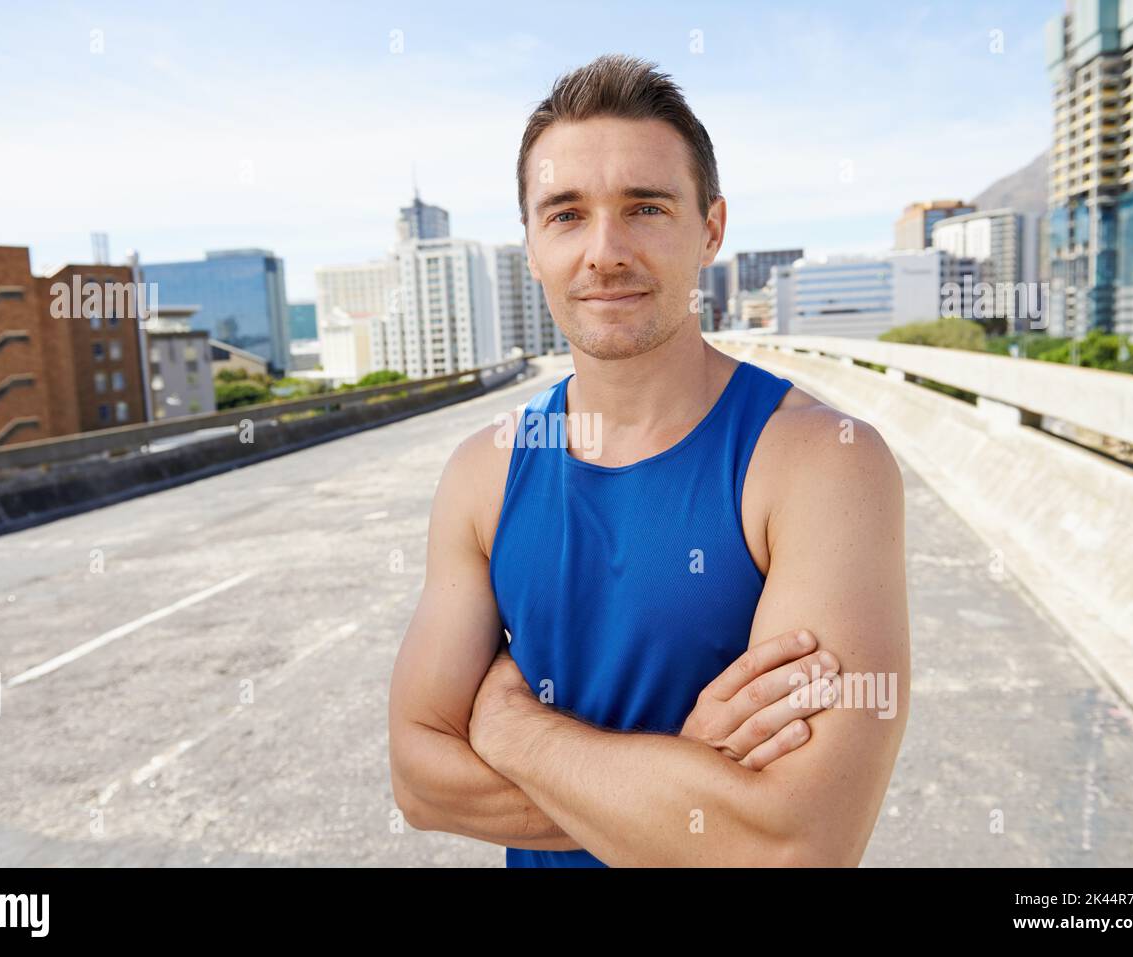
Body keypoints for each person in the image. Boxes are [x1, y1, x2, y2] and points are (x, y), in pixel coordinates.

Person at [388, 53, 910, 867]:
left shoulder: (820, 463)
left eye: (645, 208)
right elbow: (420, 782)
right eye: (565, 214)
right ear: (530, 245)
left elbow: (793, 843)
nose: (605, 251)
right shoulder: (483, 476)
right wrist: (682, 781)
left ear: (710, 229)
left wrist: (509, 727)